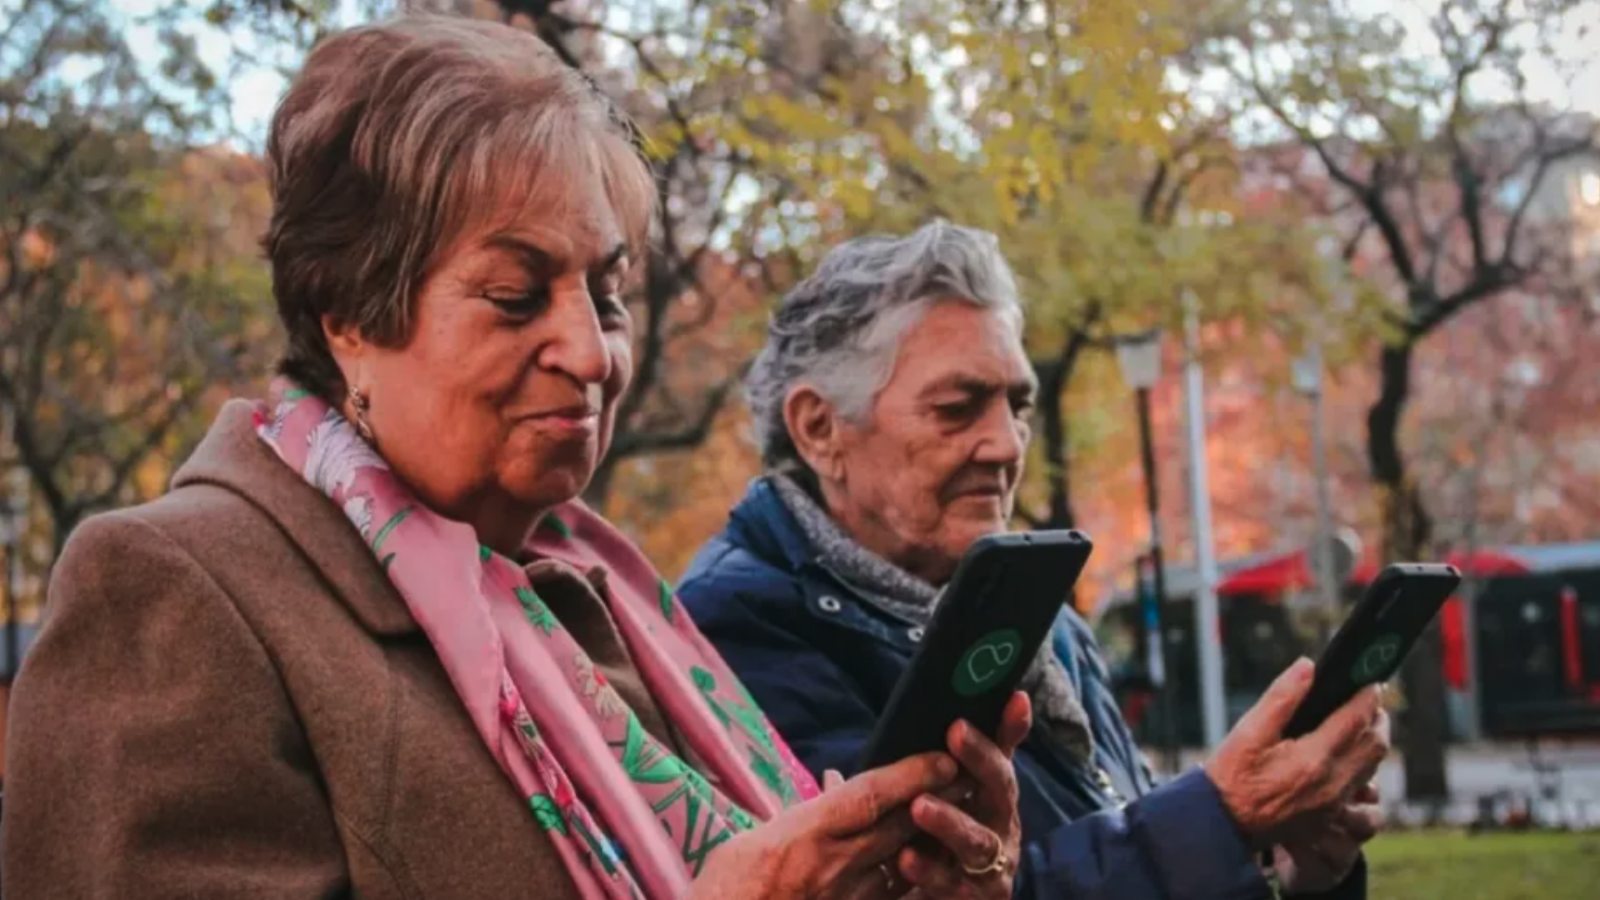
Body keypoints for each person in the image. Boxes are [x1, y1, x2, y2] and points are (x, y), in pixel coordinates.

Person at [0, 20, 1027, 900]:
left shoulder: (610, 599)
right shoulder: (172, 594)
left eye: (608, 294)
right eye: (515, 296)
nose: (591, 352)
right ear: (350, 313)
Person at [678, 222, 1390, 900]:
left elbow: (1104, 833)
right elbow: (932, 888)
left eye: (1017, 406)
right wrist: (1223, 814)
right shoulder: (737, 628)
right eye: (959, 407)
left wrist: (1295, 869)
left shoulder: (1024, 608)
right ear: (819, 428)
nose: (1007, 445)